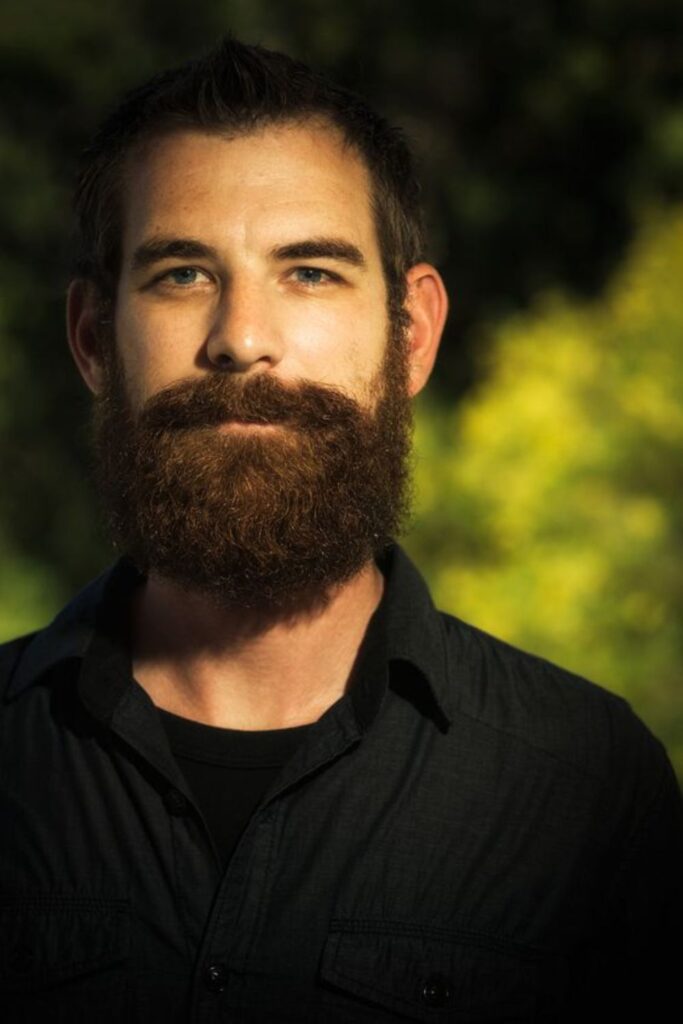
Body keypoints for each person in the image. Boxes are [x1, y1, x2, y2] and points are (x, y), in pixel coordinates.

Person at [0, 37, 680, 1023]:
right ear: (94, 341)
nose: (241, 338)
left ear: (410, 335)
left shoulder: (587, 784)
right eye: (183, 273)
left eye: (310, 272)